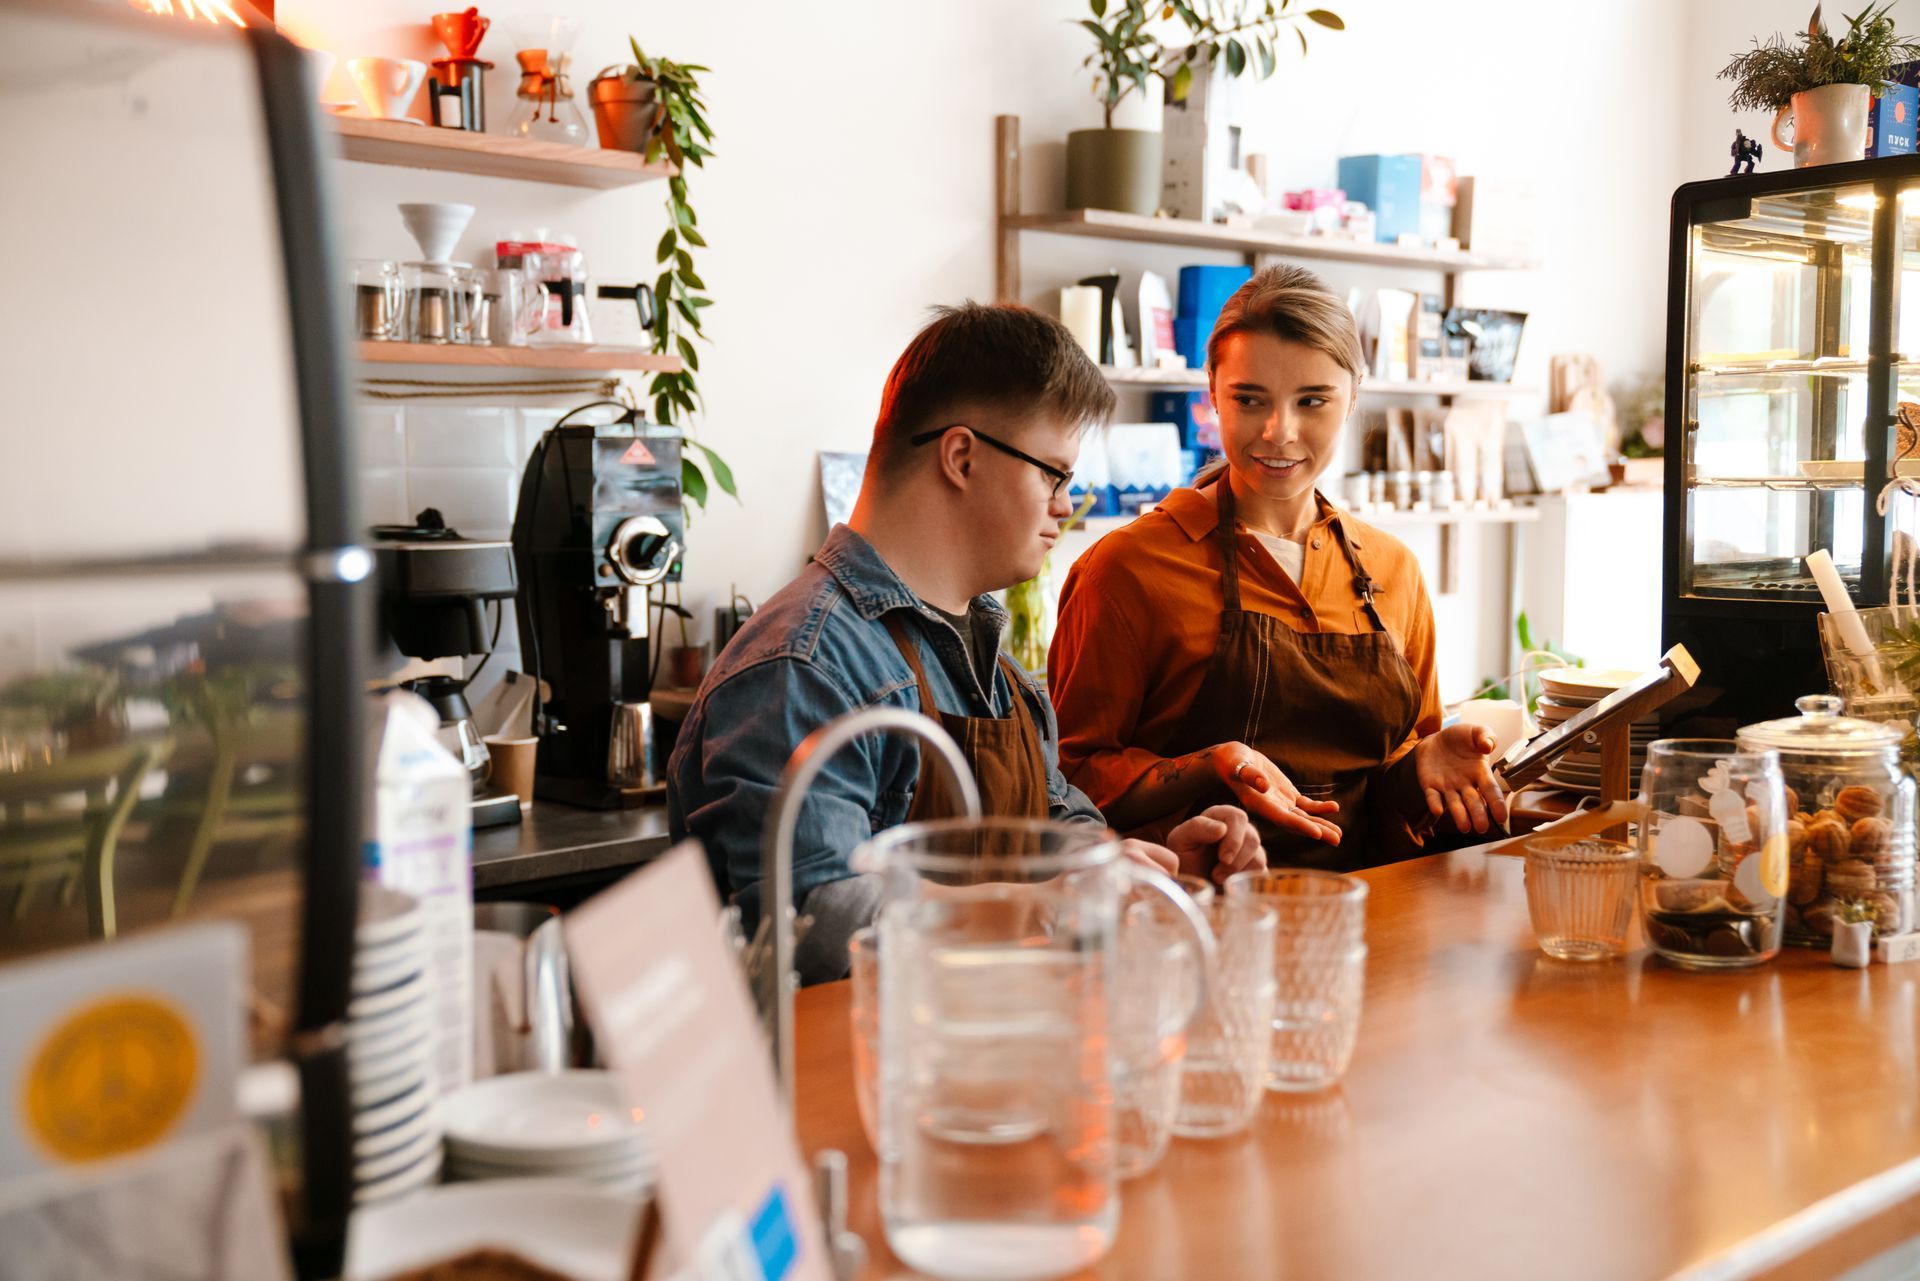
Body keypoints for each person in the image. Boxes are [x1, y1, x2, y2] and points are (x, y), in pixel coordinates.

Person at [668, 302, 1264, 983]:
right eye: (1053, 475)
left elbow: (1066, 842)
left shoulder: (999, 672)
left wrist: (1153, 867)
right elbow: (818, 924)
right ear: (961, 456)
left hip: (974, 1059)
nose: (1065, 507)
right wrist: (1038, 904)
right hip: (840, 1080)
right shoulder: (805, 666)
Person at [1048, 265, 1507, 871]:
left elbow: (1390, 765)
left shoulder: (1395, 571)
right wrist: (1210, 763)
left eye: (1312, 400)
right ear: (1212, 390)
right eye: (1249, 398)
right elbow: (1071, 783)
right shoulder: (1126, 570)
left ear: (1354, 396)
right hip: (1198, 916)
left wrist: (1423, 762)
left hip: (1369, 910)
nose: (1278, 432)